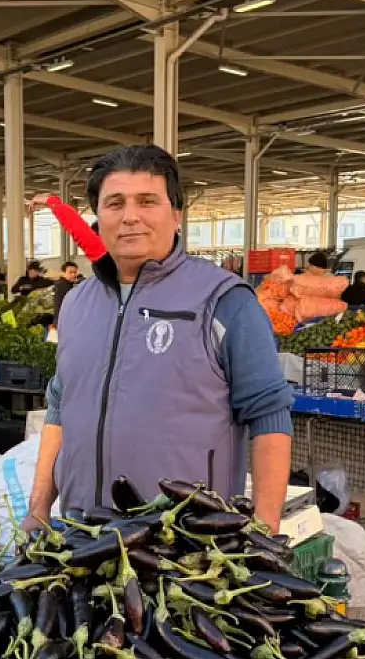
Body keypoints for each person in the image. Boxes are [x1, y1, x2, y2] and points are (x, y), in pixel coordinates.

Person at [28, 144, 294, 529]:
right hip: (84, 540)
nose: (130, 216)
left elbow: (269, 414)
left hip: (187, 546)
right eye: (115, 203)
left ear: (176, 215)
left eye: (147, 201)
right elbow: (59, 408)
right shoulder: (76, 303)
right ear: (97, 217)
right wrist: (38, 509)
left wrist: (265, 530)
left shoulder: (224, 300)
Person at [54, 260, 82, 324]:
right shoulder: (62, 285)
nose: (73, 275)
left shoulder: (69, 284)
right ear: (63, 273)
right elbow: (60, 305)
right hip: (64, 320)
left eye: (75, 272)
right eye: (70, 272)